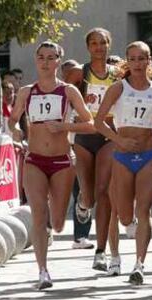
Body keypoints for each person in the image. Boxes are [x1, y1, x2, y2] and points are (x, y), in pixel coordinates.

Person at [8, 41, 93, 290]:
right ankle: (43, 271)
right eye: (41, 57)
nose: (46, 62)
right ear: (36, 61)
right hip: (34, 160)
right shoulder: (26, 92)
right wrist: (16, 133)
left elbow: (90, 123)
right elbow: (12, 121)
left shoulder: (68, 92)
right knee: (38, 214)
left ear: (58, 61)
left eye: (51, 57)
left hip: (62, 161)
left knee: (56, 222)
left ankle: (72, 212)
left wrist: (65, 126)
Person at [95, 41, 152, 284]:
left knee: (143, 209)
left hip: (149, 155)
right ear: (127, 62)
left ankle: (139, 264)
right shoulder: (118, 89)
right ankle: (115, 257)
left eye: (142, 58)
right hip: (122, 156)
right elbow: (98, 122)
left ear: (149, 61)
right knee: (120, 213)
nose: (138, 63)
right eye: (132, 59)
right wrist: (118, 139)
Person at [66, 28, 120, 274]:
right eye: (94, 43)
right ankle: (83, 202)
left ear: (109, 45)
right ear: (88, 47)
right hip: (85, 135)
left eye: (103, 43)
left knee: (104, 191)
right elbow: (64, 98)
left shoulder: (118, 74)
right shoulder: (79, 73)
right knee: (88, 195)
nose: (99, 47)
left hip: (108, 135)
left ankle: (100, 251)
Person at [61, 59, 94, 250]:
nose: (71, 78)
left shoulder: (83, 96)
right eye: (67, 74)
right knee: (57, 192)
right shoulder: (56, 93)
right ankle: (48, 228)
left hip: (80, 146)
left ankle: (80, 236)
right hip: (60, 149)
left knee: (81, 190)